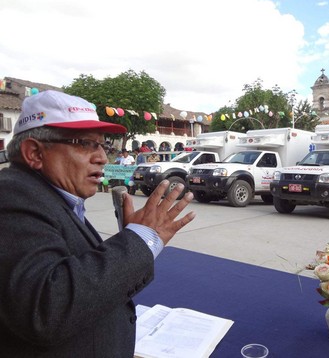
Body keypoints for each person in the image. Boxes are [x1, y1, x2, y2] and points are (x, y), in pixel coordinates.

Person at [0, 90, 196, 356]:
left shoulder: (52, 197)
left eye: (103, 145)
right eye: (84, 143)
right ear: (34, 153)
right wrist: (138, 240)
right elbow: (46, 307)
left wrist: (130, 242)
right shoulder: (12, 197)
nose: (102, 157)